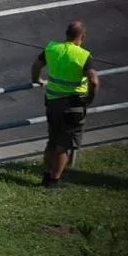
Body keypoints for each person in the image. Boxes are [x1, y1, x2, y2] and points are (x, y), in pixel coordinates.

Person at [30, 20, 99, 189]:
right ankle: (54, 182)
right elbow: (94, 81)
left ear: (66, 34)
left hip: (53, 102)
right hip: (73, 105)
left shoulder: (53, 48)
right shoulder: (83, 55)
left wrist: (36, 80)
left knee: (52, 142)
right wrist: (89, 98)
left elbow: (36, 65)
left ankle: (46, 175)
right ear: (83, 36)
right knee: (63, 145)